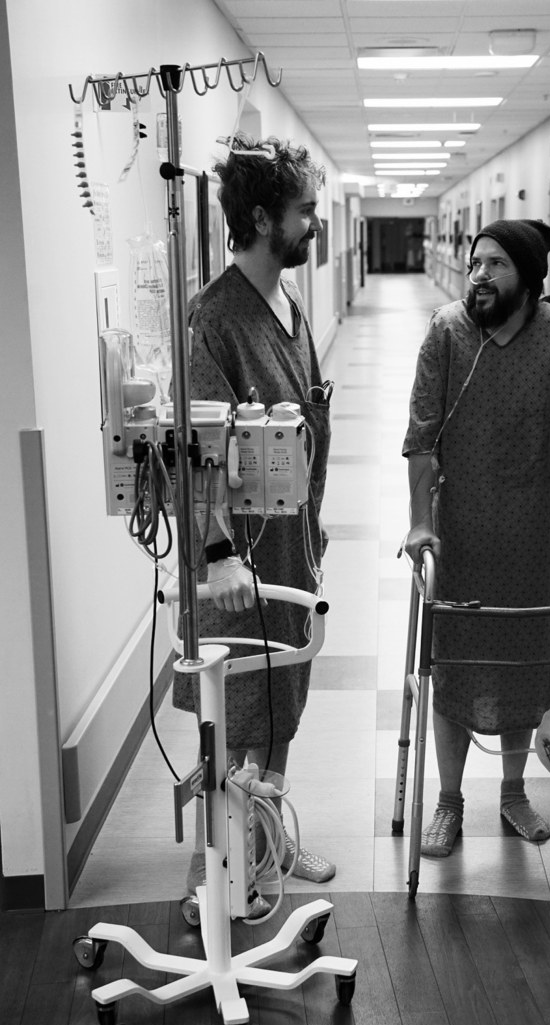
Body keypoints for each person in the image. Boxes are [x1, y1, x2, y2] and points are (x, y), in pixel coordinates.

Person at [402, 219, 550, 857]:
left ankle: (512, 793)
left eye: (496, 264)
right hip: (461, 538)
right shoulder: (446, 334)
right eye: (475, 262)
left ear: (527, 275)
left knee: (526, 667)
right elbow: (420, 437)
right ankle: (448, 802)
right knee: (452, 668)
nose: (479, 276)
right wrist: (420, 520)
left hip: (535, 538)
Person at [173, 134, 335, 890]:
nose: (314, 225)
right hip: (237, 561)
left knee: (280, 699)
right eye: (305, 211)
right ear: (265, 216)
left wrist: (315, 526)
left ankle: (268, 839)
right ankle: (225, 870)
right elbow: (196, 447)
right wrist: (216, 552)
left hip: (290, 544)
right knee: (237, 704)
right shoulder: (215, 318)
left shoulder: (286, 303)